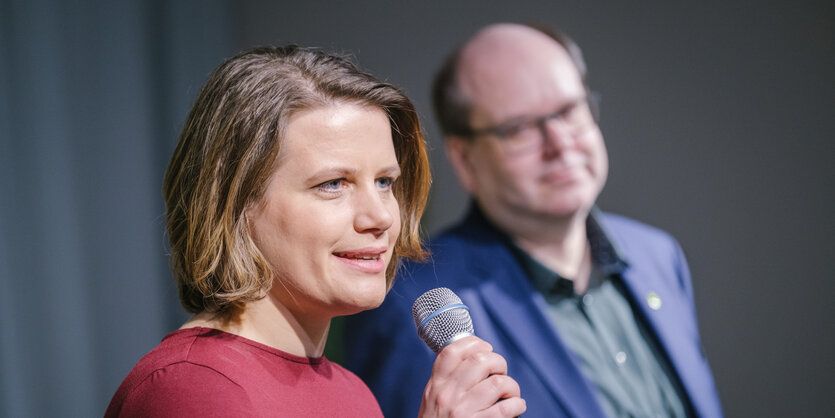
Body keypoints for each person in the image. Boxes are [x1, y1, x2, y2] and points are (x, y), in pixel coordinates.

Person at [105, 45, 526, 417]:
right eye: (333, 184)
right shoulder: (191, 388)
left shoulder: (353, 393)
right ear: (235, 204)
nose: (379, 216)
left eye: (385, 182)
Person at [344, 23, 723, 418]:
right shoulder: (414, 302)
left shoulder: (659, 257)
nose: (560, 143)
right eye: (520, 128)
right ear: (465, 159)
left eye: (569, 110)